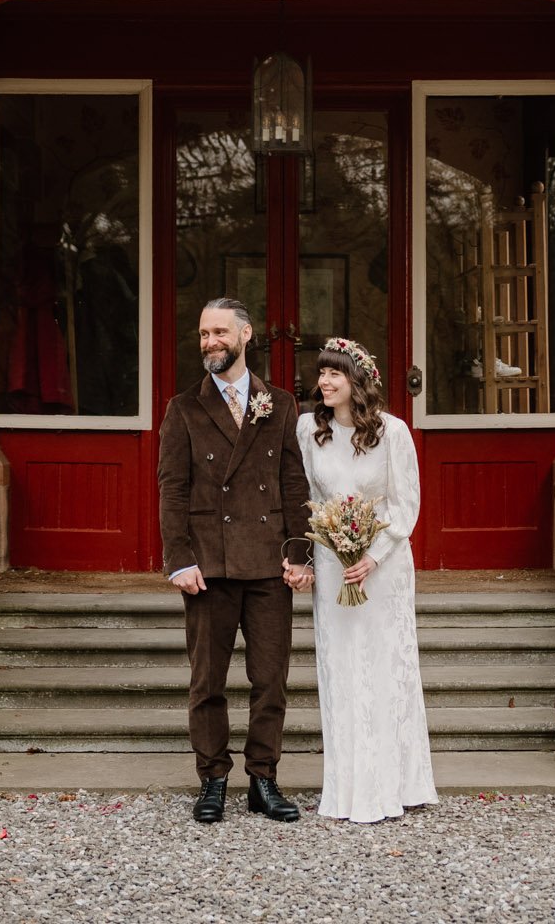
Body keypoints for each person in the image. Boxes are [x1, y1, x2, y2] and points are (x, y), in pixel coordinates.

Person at [157, 296, 312, 825]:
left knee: (271, 679)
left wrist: (299, 552)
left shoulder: (282, 404)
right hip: (209, 567)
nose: (210, 342)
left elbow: (295, 484)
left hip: (269, 564)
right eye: (203, 334)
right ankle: (214, 779)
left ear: (246, 336)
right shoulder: (184, 408)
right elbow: (171, 490)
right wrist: (179, 559)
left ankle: (263, 780)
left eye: (220, 332)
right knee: (208, 682)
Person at [291, 337, 438, 823]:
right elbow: (310, 498)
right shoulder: (309, 430)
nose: (325, 382)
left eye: (335, 374)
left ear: (359, 382)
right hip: (334, 565)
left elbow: (405, 504)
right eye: (322, 373)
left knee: (385, 664)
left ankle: (397, 783)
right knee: (341, 667)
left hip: (385, 563)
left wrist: (372, 555)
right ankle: (348, 787)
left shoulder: (393, 432)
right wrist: (312, 560)